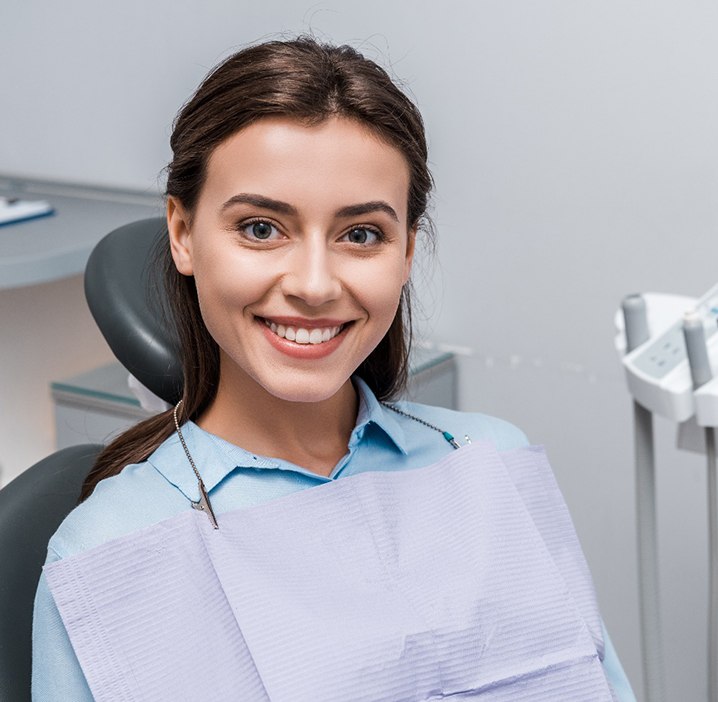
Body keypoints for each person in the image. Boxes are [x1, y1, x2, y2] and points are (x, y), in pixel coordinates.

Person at [32, 37, 635, 701]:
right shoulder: (107, 549)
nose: (315, 284)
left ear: (406, 251)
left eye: (361, 234)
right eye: (262, 228)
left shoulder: (488, 461)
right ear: (182, 233)